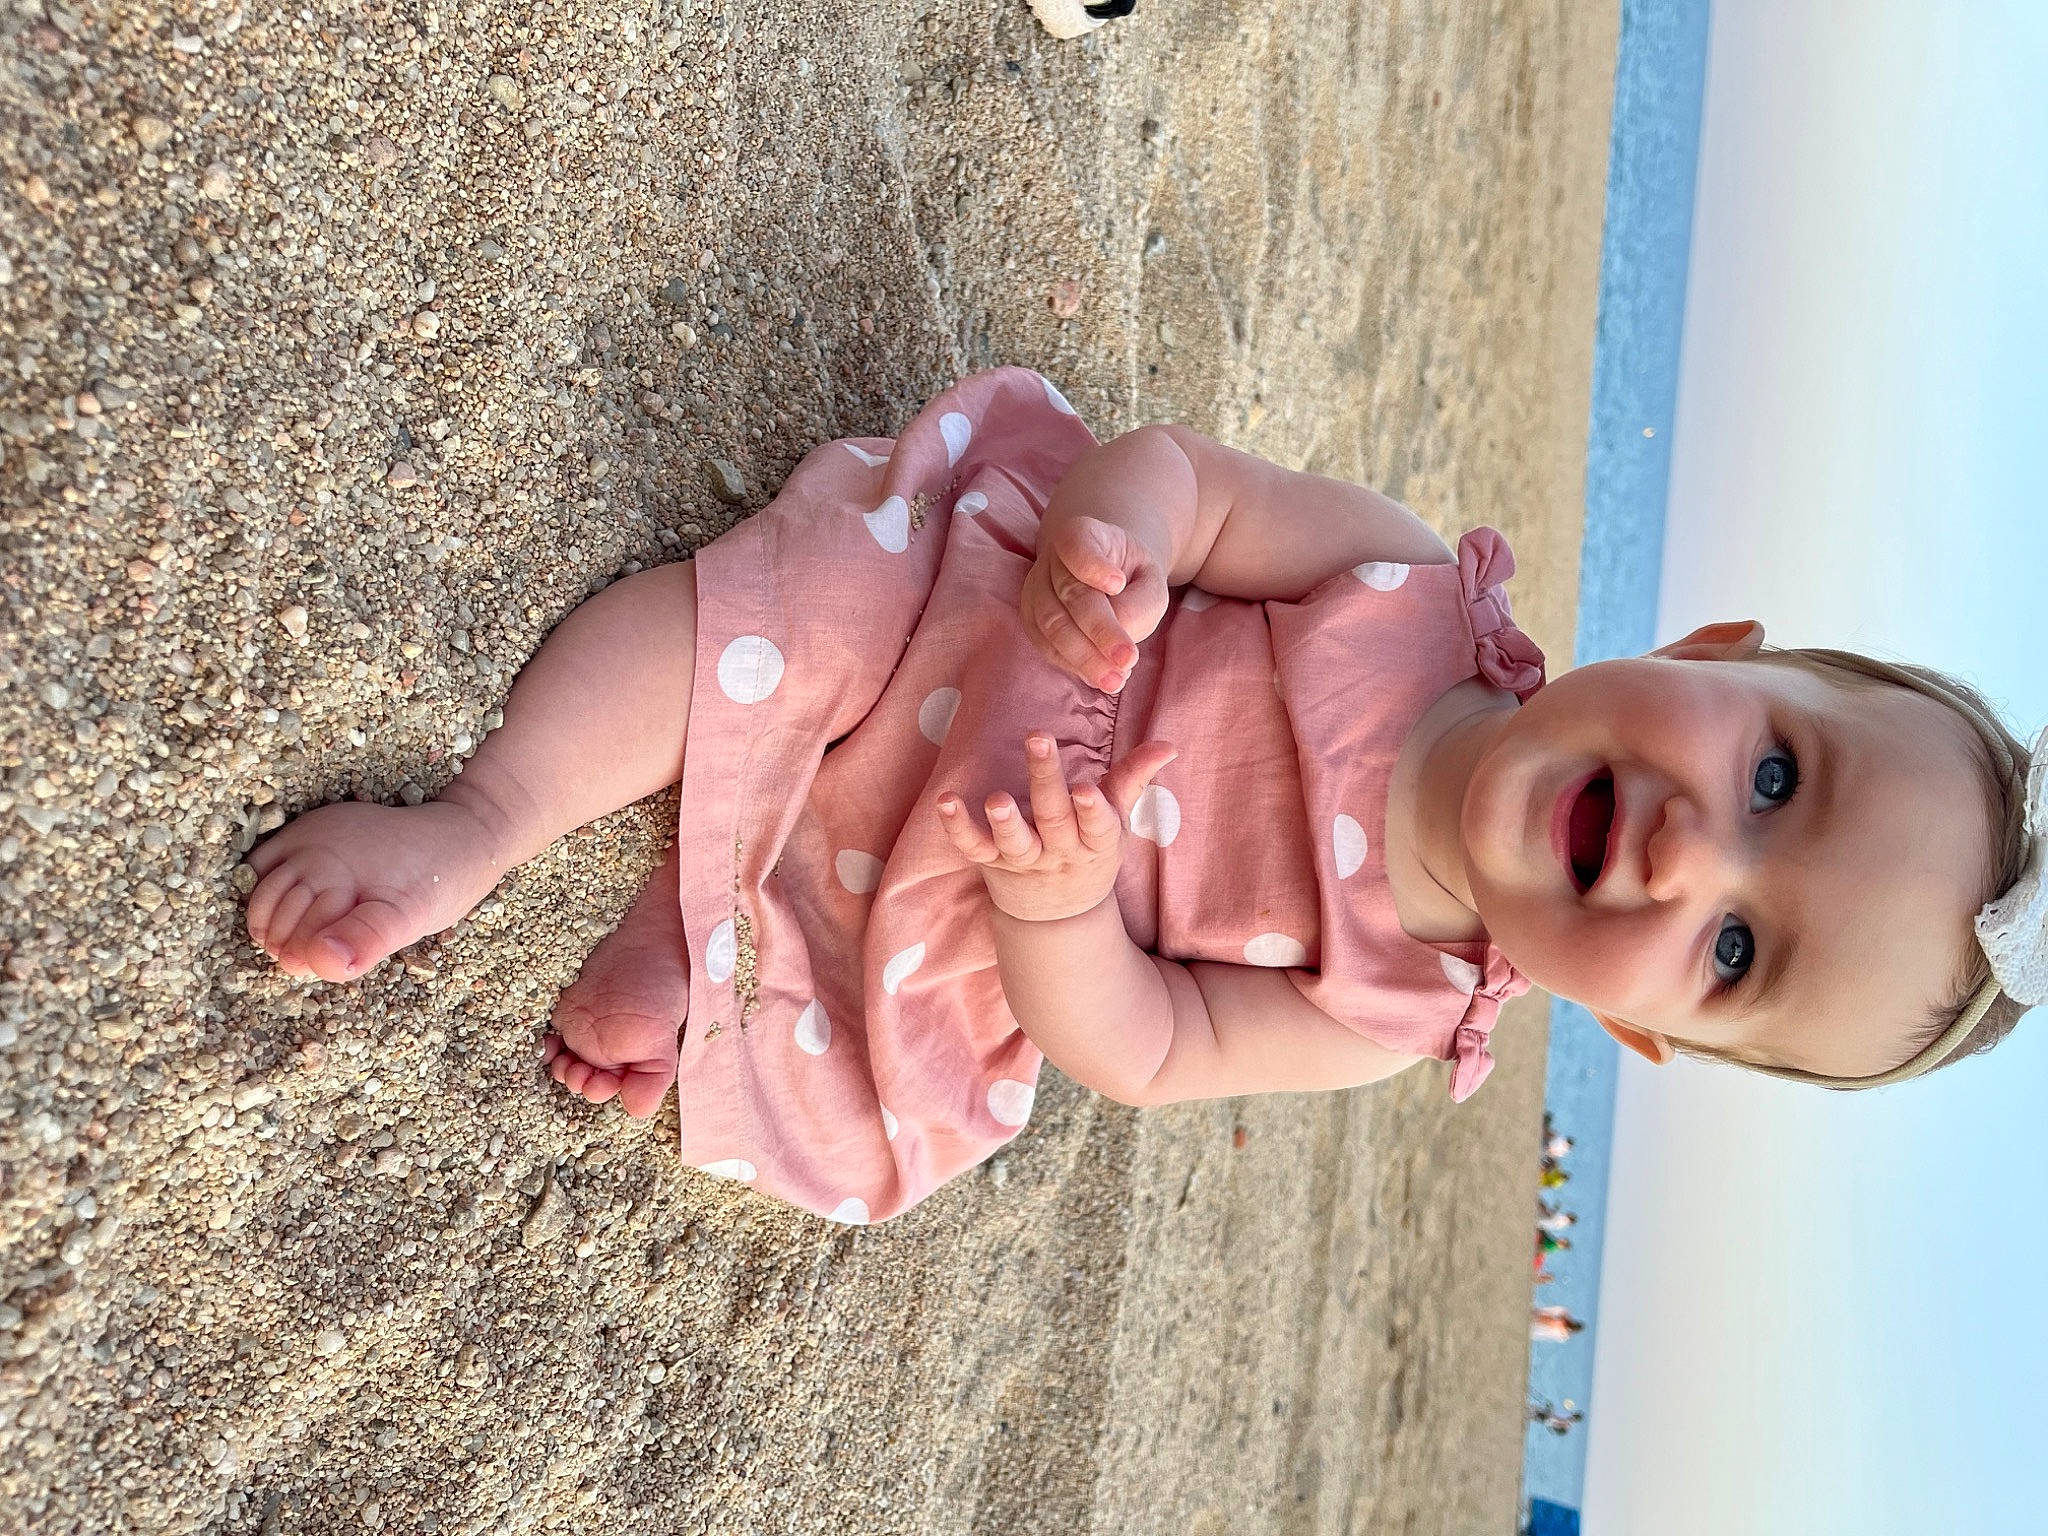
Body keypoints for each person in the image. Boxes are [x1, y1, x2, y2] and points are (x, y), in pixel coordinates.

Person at [241, 367, 2048, 1225]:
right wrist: (1121, 546)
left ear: (1644, 1038)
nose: (1688, 853)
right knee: (790, 618)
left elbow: (1153, 1048)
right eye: (1776, 774)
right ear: (1721, 638)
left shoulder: (1384, 1006)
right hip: (982, 628)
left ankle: (699, 928)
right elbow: (1188, 480)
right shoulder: (1410, 597)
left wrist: (1058, 916)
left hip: (994, 891)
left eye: (1735, 947)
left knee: (863, 990)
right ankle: (481, 823)